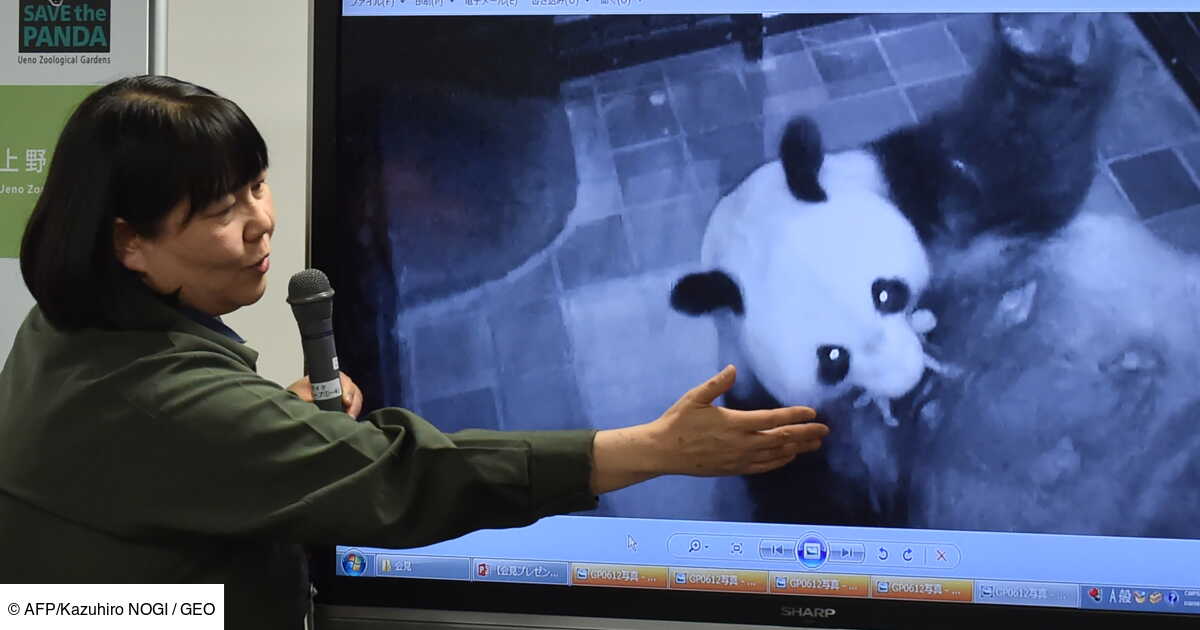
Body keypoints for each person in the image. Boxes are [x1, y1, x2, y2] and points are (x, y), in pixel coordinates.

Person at [0, 75, 829, 627]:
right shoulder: (159, 400)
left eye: (258, 182)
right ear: (131, 243)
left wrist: (261, 432)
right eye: (223, 207)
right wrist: (651, 450)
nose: (263, 222)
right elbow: (409, 479)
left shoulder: (62, 329)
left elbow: (164, 463)